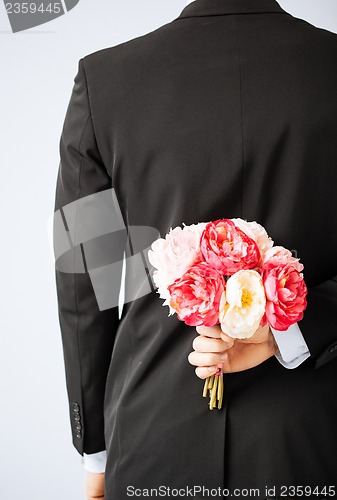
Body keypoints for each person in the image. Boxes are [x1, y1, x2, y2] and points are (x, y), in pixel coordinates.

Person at [53, 0, 337, 499]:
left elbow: (84, 279)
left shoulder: (107, 80)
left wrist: (94, 451)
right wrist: (292, 334)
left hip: (152, 435)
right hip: (313, 441)